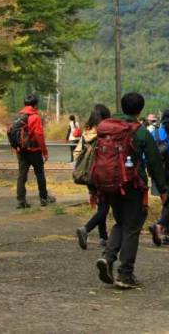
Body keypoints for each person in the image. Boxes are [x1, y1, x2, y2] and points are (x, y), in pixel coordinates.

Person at [95, 92, 167, 290]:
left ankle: (108, 258)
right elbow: (154, 162)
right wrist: (162, 189)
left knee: (120, 222)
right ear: (140, 110)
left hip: (110, 184)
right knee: (132, 228)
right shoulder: (140, 131)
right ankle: (125, 274)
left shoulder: (108, 127)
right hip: (133, 186)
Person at [74, 104, 112, 250]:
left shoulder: (86, 132)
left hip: (88, 174)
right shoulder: (105, 132)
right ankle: (86, 229)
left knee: (100, 204)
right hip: (101, 173)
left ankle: (103, 237)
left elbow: (77, 153)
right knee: (104, 207)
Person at [13, 94, 55, 209]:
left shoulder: (19, 115)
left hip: (21, 150)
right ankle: (43, 198)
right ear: (35, 105)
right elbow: (39, 135)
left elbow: (12, 132)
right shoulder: (35, 117)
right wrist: (44, 152)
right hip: (34, 150)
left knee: (22, 175)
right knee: (40, 174)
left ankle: (21, 201)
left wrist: (15, 147)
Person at [148, 109, 169, 246]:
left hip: (157, 173)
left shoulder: (154, 133)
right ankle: (159, 225)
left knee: (165, 202)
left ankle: (166, 233)